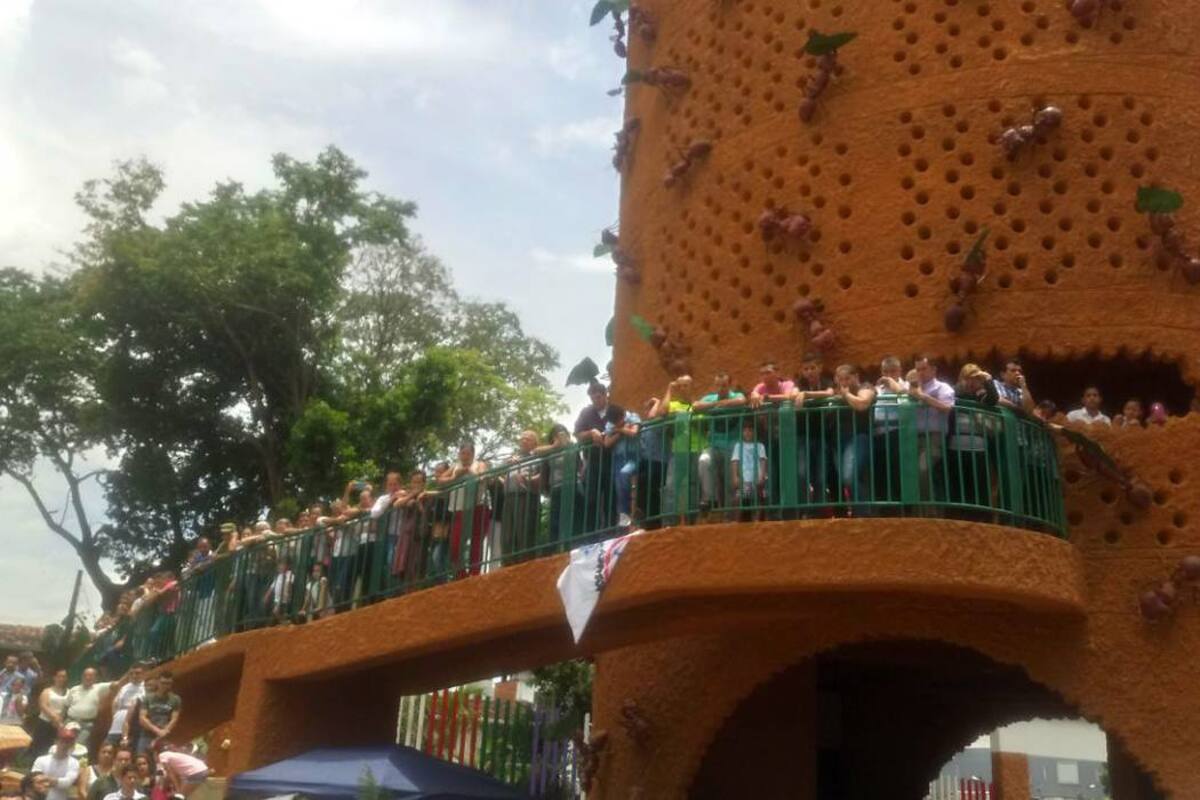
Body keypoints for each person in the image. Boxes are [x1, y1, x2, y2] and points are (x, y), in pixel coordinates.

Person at [652, 375, 704, 524]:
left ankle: (691, 521)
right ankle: (669, 522)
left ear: (692, 386)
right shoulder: (673, 405)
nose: (682, 389)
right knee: (671, 486)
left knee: (693, 486)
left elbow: (704, 424)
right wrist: (669, 389)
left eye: (685, 385)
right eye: (679, 386)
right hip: (678, 451)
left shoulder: (698, 405)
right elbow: (661, 412)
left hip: (696, 448)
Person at [693, 372, 747, 516]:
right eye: (718, 385)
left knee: (730, 483)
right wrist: (715, 404)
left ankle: (729, 517)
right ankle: (711, 500)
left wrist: (723, 404)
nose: (721, 388)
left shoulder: (736, 396)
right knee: (704, 461)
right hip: (714, 446)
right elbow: (696, 406)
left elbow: (742, 401)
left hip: (733, 446)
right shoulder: (710, 398)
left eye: (724, 385)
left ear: (729, 385)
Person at [949, 364, 1000, 509]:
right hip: (955, 447)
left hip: (979, 449)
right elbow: (956, 394)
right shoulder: (953, 391)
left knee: (980, 486)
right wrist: (965, 385)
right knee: (958, 485)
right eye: (968, 378)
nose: (972, 382)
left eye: (975, 379)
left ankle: (981, 517)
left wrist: (988, 380)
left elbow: (993, 399)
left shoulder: (980, 394)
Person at [750, 360, 797, 514]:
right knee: (773, 473)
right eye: (762, 373)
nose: (765, 376)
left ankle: (789, 510)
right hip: (769, 438)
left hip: (788, 438)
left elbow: (790, 396)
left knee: (788, 472)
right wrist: (756, 394)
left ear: (777, 373)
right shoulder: (760, 387)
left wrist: (768, 398)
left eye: (769, 372)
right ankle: (774, 512)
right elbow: (755, 393)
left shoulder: (787, 384)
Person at [907, 355, 956, 501]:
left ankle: (930, 510)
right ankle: (919, 511)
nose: (920, 372)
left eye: (924, 369)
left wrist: (923, 397)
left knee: (923, 469)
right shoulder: (912, 387)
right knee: (912, 473)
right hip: (912, 437)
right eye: (918, 369)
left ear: (933, 370)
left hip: (933, 437)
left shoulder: (942, 387)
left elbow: (947, 408)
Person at [827, 364, 876, 509]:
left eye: (847, 378)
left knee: (849, 477)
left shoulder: (865, 387)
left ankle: (865, 514)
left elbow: (862, 404)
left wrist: (846, 395)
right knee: (849, 479)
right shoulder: (836, 392)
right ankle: (859, 513)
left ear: (856, 377)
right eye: (840, 379)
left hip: (858, 438)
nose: (844, 383)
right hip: (837, 441)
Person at [441, 442, 490, 577]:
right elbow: (440, 480)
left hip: (478, 506)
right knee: (455, 545)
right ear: (459, 454)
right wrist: (455, 476)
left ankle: (475, 573)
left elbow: (482, 477)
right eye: (463, 453)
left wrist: (469, 471)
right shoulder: (455, 466)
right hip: (459, 508)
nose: (465, 456)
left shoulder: (479, 464)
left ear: (473, 454)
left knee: (476, 542)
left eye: (468, 453)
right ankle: (461, 575)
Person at [574, 380, 616, 532]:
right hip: (592, 461)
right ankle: (591, 534)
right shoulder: (586, 412)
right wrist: (591, 432)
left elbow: (624, 424)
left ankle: (611, 531)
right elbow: (578, 434)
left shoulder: (614, 410)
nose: (596, 401)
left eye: (598, 397)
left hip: (612, 459)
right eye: (593, 398)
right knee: (591, 498)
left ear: (606, 395)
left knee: (611, 497)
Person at [873, 356, 909, 503]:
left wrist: (891, 382)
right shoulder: (877, 389)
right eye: (885, 372)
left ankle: (901, 507)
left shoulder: (905, 385)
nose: (888, 375)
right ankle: (884, 508)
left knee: (897, 471)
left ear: (899, 371)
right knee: (880, 471)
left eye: (892, 371)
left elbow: (903, 394)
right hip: (878, 435)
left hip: (896, 433)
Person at [502, 431, 543, 563]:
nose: (524, 441)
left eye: (528, 439)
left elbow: (542, 478)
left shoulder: (538, 457)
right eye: (522, 438)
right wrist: (506, 463)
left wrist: (528, 479)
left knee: (524, 534)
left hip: (526, 497)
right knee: (507, 536)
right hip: (509, 498)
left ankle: (526, 565)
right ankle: (508, 565)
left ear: (535, 444)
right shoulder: (513, 458)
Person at [604, 404, 641, 531]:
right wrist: (621, 431)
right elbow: (607, 443)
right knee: (619, 487)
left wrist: (619, 430)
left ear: (623, 415)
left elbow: (634, 432)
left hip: (633, 456)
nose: (616, 424)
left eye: (618, 421)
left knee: (625, 475)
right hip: (619, 458)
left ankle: (630, 515)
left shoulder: (633, 417)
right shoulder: (611, 424)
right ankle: (624, 518)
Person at [65, 668, 121, 751]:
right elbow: (66, 705)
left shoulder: (99, 687)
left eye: (91, 675)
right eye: (85, 675)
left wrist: (129, 672)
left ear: (95, 678)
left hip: (87, 725)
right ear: (82, 677)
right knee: (64, 743)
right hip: (70, 721)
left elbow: (117, 684)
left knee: (79, 747)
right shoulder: (74, 689)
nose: (87, 677)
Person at [730, 420, 768, 521]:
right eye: (745, 430)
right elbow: (735, 462)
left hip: (756, 479)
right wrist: (735, 477)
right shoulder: (738, 446)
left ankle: (760, 521)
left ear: (754, 432)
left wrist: (762, 476)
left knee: (761, 497)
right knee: (738, 498)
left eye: (750, 430)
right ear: (742, 432)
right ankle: (737, 521)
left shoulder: (760, 446)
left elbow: (763, 461)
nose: (747, 433)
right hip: (745, 480)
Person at [31, 727, 81, 800]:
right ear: (56, 741)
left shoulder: (74, 763)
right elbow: (34, 780)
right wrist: (56, 782)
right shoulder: (41, 760)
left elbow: (67, 783)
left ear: (72, 744)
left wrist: (46, 779)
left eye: (68, 742)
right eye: (62, 741)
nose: (65, 745)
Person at [136, 673, 180, 756]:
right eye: (163, 683)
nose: (165, 686)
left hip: (164, 735)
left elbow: (174, 718)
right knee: (142, 757)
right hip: (147, 734)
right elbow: (142, 718)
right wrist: (157, 731)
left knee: (162, 760)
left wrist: (164, 731)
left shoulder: (175, 699)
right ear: (158, 683)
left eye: (168, 683)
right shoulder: (148, 698)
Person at [30, 669, 70, 757]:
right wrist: (54, 718)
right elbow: (43, 705)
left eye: (64, 676)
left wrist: (60, 721)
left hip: (59, 725)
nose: (62, 679)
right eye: (59, 676)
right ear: (54, 678)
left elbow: (67, 707)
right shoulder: (47, 691)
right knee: (40, 746)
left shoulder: (68, 692)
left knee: (53, 747)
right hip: (45, 723)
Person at [106, 664, 145, 748]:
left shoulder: (145, 688)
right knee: (109, 748)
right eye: (131, 673)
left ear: (143, 674)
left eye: (137, 673)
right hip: (117, 724)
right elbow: (115, 704)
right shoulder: (125, 688)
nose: (134, 676)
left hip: (132, 726)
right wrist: (115, 716)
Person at [264, 559, 295, 625]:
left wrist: (288, 589)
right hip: (277, 600)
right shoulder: (278, 576)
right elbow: (272, 587)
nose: (279, 567)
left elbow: (289, 585)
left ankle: (284, 622)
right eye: (279, 565)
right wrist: (267, 595)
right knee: (274, 615)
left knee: (277, 612)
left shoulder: (290, 574)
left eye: (282, 565)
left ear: (287, 566)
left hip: (284, 600)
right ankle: (282, 623)